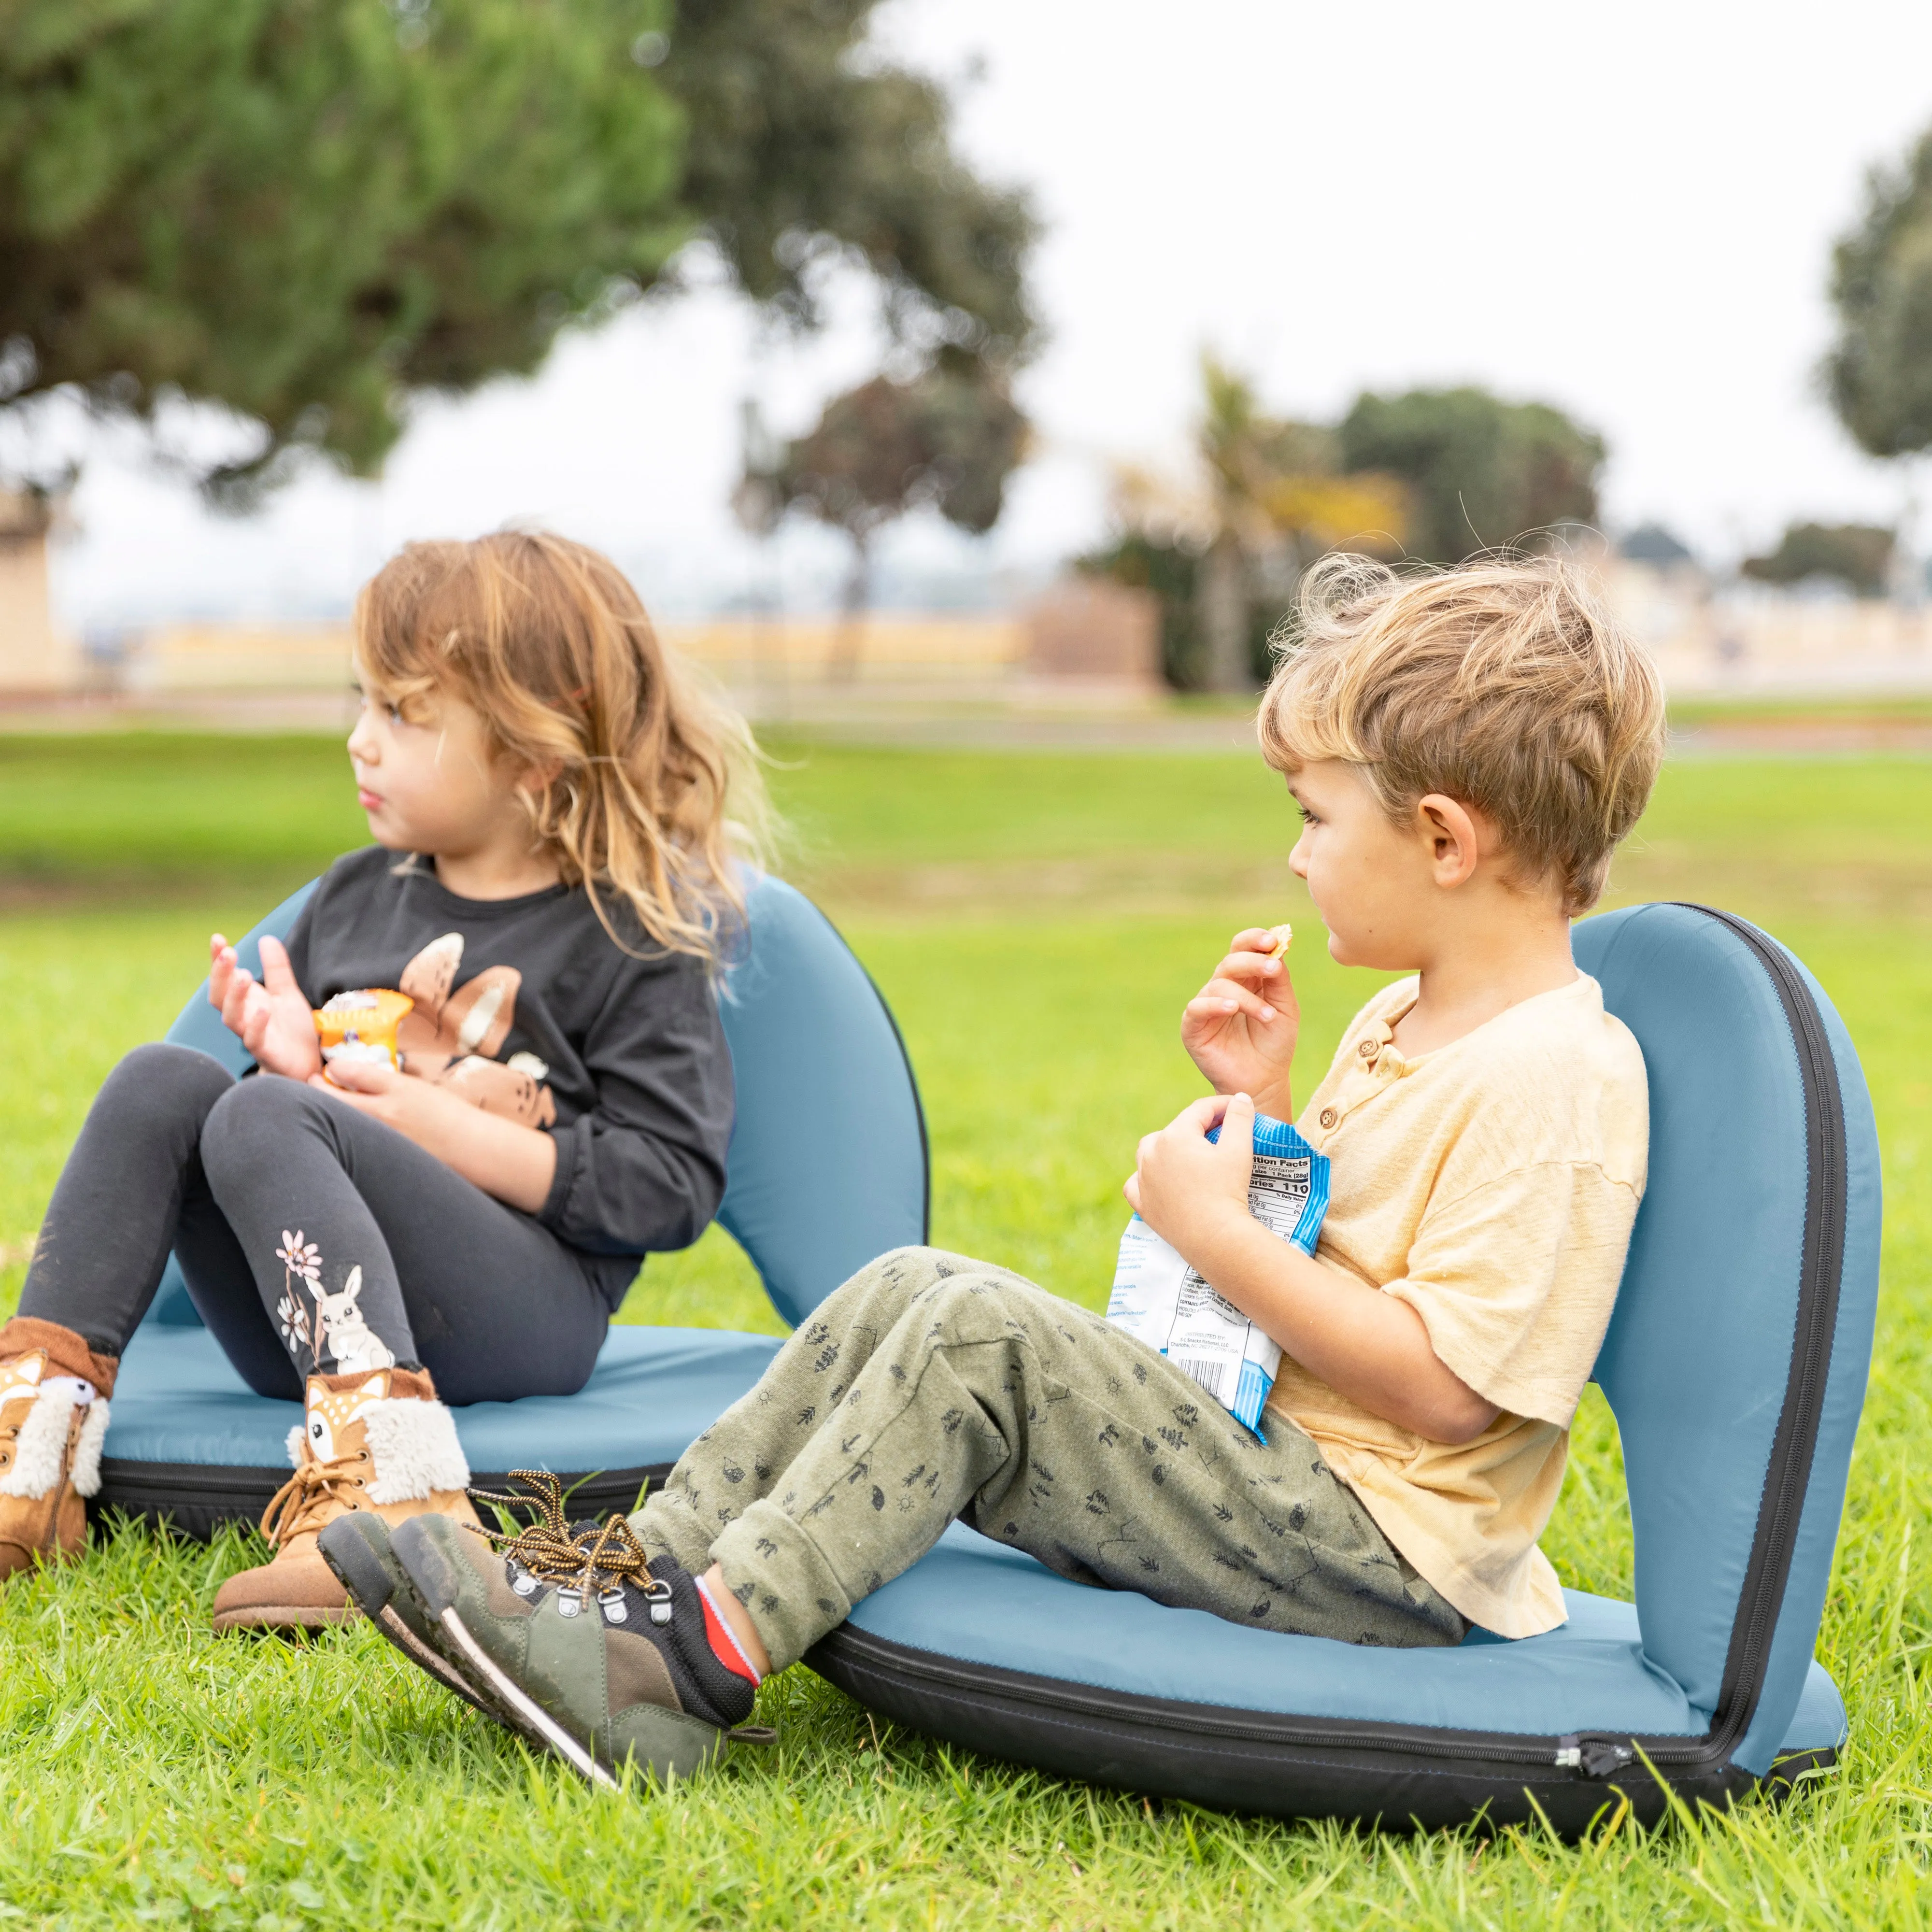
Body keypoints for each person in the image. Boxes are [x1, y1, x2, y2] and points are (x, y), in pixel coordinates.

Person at [325, 552, 1666, 1785]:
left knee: (977, 1337)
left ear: (1443, 838)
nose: (1297, 854)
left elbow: (1441, 1393)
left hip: (1385, 1553)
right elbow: (1346, 1247)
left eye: (1314, 818)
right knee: (908, 1282)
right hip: (1284, 1474)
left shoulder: (1556, 1076)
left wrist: (1219, 1235)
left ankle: (677, 1673)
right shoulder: (1406, 1018)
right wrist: (1260, 1106)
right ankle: (620, 1591)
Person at [0, 533, 767, 1633]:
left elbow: (667, 1185)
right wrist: (295, 1065)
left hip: (523, 1319)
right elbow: (296, 1135)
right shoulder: (357, 895)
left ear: (532, 755)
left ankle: (404, 1502)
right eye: (364, 702)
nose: (360, 741)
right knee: (163, 1079)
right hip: (312, 1328)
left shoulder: (627, 935)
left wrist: (415, 1113)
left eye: (406, 715)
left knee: (267, 1110)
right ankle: (29, 1460)